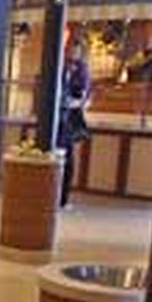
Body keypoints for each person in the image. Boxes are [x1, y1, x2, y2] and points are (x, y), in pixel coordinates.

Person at [59, 39, 92, 207]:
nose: (72, 53)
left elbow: (86, 98)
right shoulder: (59, 65)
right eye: (70, 50)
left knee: (67, 159)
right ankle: (53, 196)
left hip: (70, 120)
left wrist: (73, 102)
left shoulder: (83, 70)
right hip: (57, 118)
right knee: (54, 156)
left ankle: (63, 199)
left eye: (76, 51)